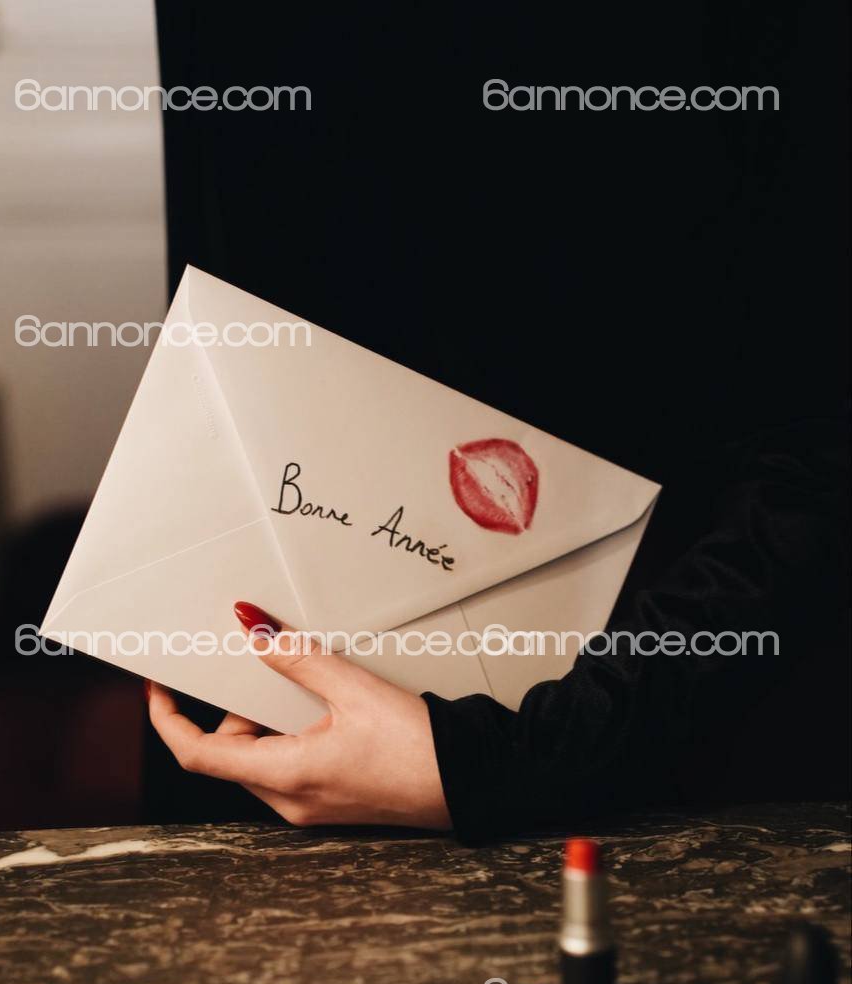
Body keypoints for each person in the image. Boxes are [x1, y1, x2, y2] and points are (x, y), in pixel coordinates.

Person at [147, 3, 849, 842]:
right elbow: (235, 270)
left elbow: (819, 443)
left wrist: (528, 754)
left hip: (659, 750)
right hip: (266, 725)